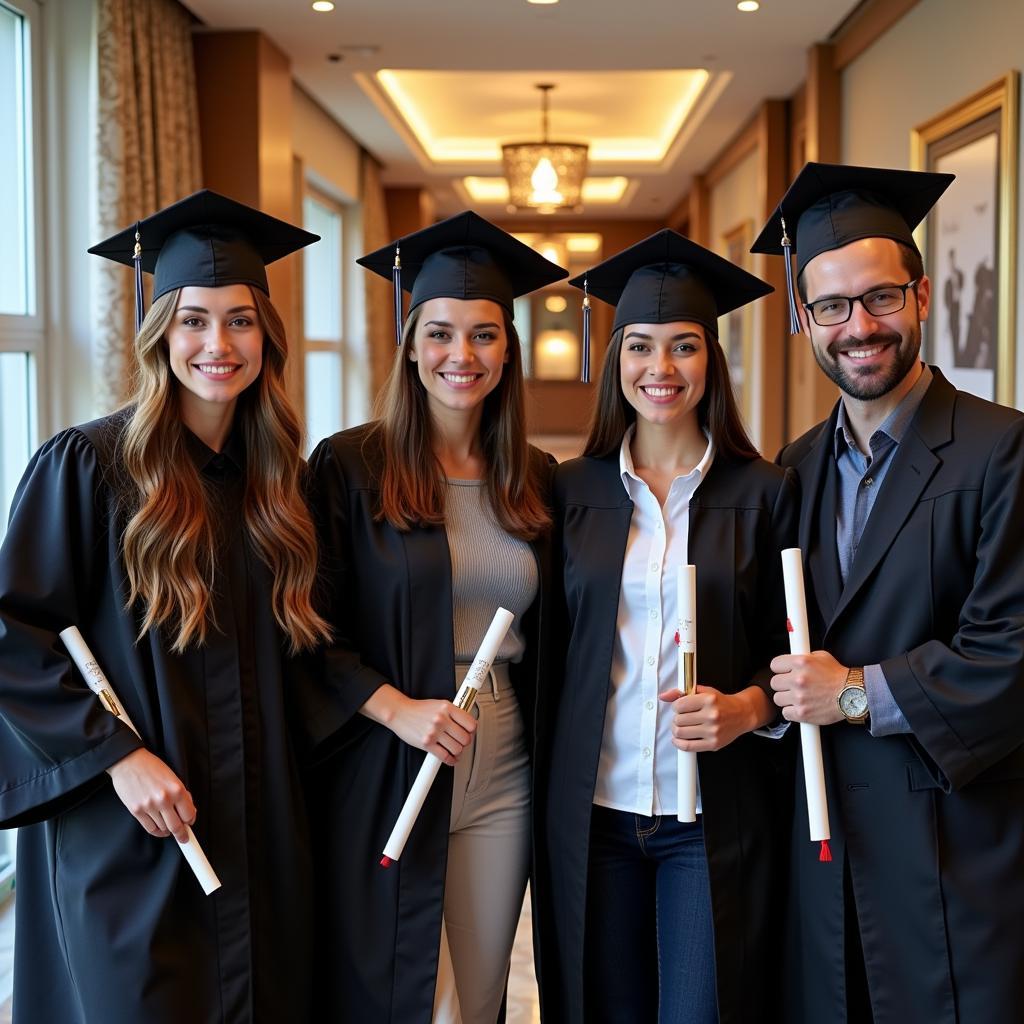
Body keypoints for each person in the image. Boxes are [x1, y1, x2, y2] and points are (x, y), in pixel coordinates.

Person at [0, 190, 331, 1024]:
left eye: (240, 321)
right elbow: (13, 633)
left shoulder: (278, 483)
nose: (217, 345)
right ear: (160, 336)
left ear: (268, 339)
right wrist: (115, 756)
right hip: (136, 823)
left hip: (258, 824)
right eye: (193, 321)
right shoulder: (88, 466)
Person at [753, 162, 1024, 1023]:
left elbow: (1010, 654)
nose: (858, 327)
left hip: (953, 850)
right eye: (831, 306)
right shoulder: (791, 471)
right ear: (802, 318)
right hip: (827, 853)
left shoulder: (1000, 452)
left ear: (921, 295)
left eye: (881, 298)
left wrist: (858, 694)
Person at [305, 211, 565, 1023]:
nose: (463, 356)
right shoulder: (351, 466)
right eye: (442, 333)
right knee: (417, 999)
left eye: (485, 335)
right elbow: (306, 628)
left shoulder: (535, 476)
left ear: (508, 350)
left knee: (480, 997)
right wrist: (397, 710)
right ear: (411, 344)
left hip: (505, 761)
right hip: (390, 753)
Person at [536, 229, 797, 1024]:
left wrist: (748, 708)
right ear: (616, 361)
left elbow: (795, 653)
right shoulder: (569, 492)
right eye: (641, 347)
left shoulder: (768, 491)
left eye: (685, 346)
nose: (662, 369)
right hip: (595, 815)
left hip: (709, 822)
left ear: (711, 361)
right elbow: (545, 658)